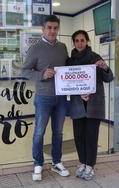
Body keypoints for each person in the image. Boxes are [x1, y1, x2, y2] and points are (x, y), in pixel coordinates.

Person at [21, 15, 70, 181]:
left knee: (58, 133)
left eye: (55, 28)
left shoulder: (63, 47)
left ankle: (56, 162)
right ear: (43, 29)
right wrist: (42, 74)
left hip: (61, 98)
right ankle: (38, 163)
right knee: (39, 132)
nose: (52, 31)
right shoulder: (35, 48)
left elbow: (69, 69)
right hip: (43, 98)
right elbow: (24, 71)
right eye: (49, 27)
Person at [68, 30, 114, 180]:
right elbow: (67, 83)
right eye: (77, 40)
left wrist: (105, 67)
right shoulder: (70, 61)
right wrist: (78, 92)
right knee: (78, 136)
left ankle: (90, 166)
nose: (80, 43)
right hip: (77, 104)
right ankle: (82, 162)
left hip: (94, 104)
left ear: (87, 41)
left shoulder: (95, 58)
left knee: (91, 136)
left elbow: (108, 78)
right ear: (73, 43)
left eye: (82, 40)